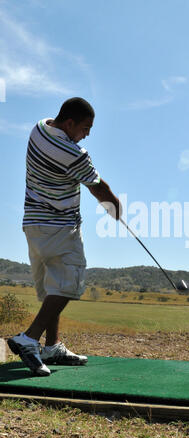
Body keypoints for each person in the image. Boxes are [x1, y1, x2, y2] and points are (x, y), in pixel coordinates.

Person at [8, 97, 122, 376]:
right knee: (69, 284)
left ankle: (52, 346)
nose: (87, 134)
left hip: (33, 225)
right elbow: (98, 187)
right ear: (69, 123)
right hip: (59, 227)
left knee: (53, 286)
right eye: (85, 128)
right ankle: (29, 339)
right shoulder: (74, 153)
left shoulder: (38, 128)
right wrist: (116, 209)